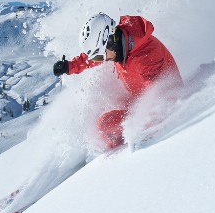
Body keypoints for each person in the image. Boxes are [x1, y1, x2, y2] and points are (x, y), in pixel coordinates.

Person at [53, 13, 181, 149]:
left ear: (110, 41)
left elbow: (162, 95)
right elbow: (91, 56)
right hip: (140, 100)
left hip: (166, 106)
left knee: (106, 125)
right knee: (105, 123)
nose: (100, 60)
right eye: (97, 57)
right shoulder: (119, 46)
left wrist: (143, 131)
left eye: (99, 56)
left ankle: (119, 160)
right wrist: (70, 66)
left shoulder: (146, 55)